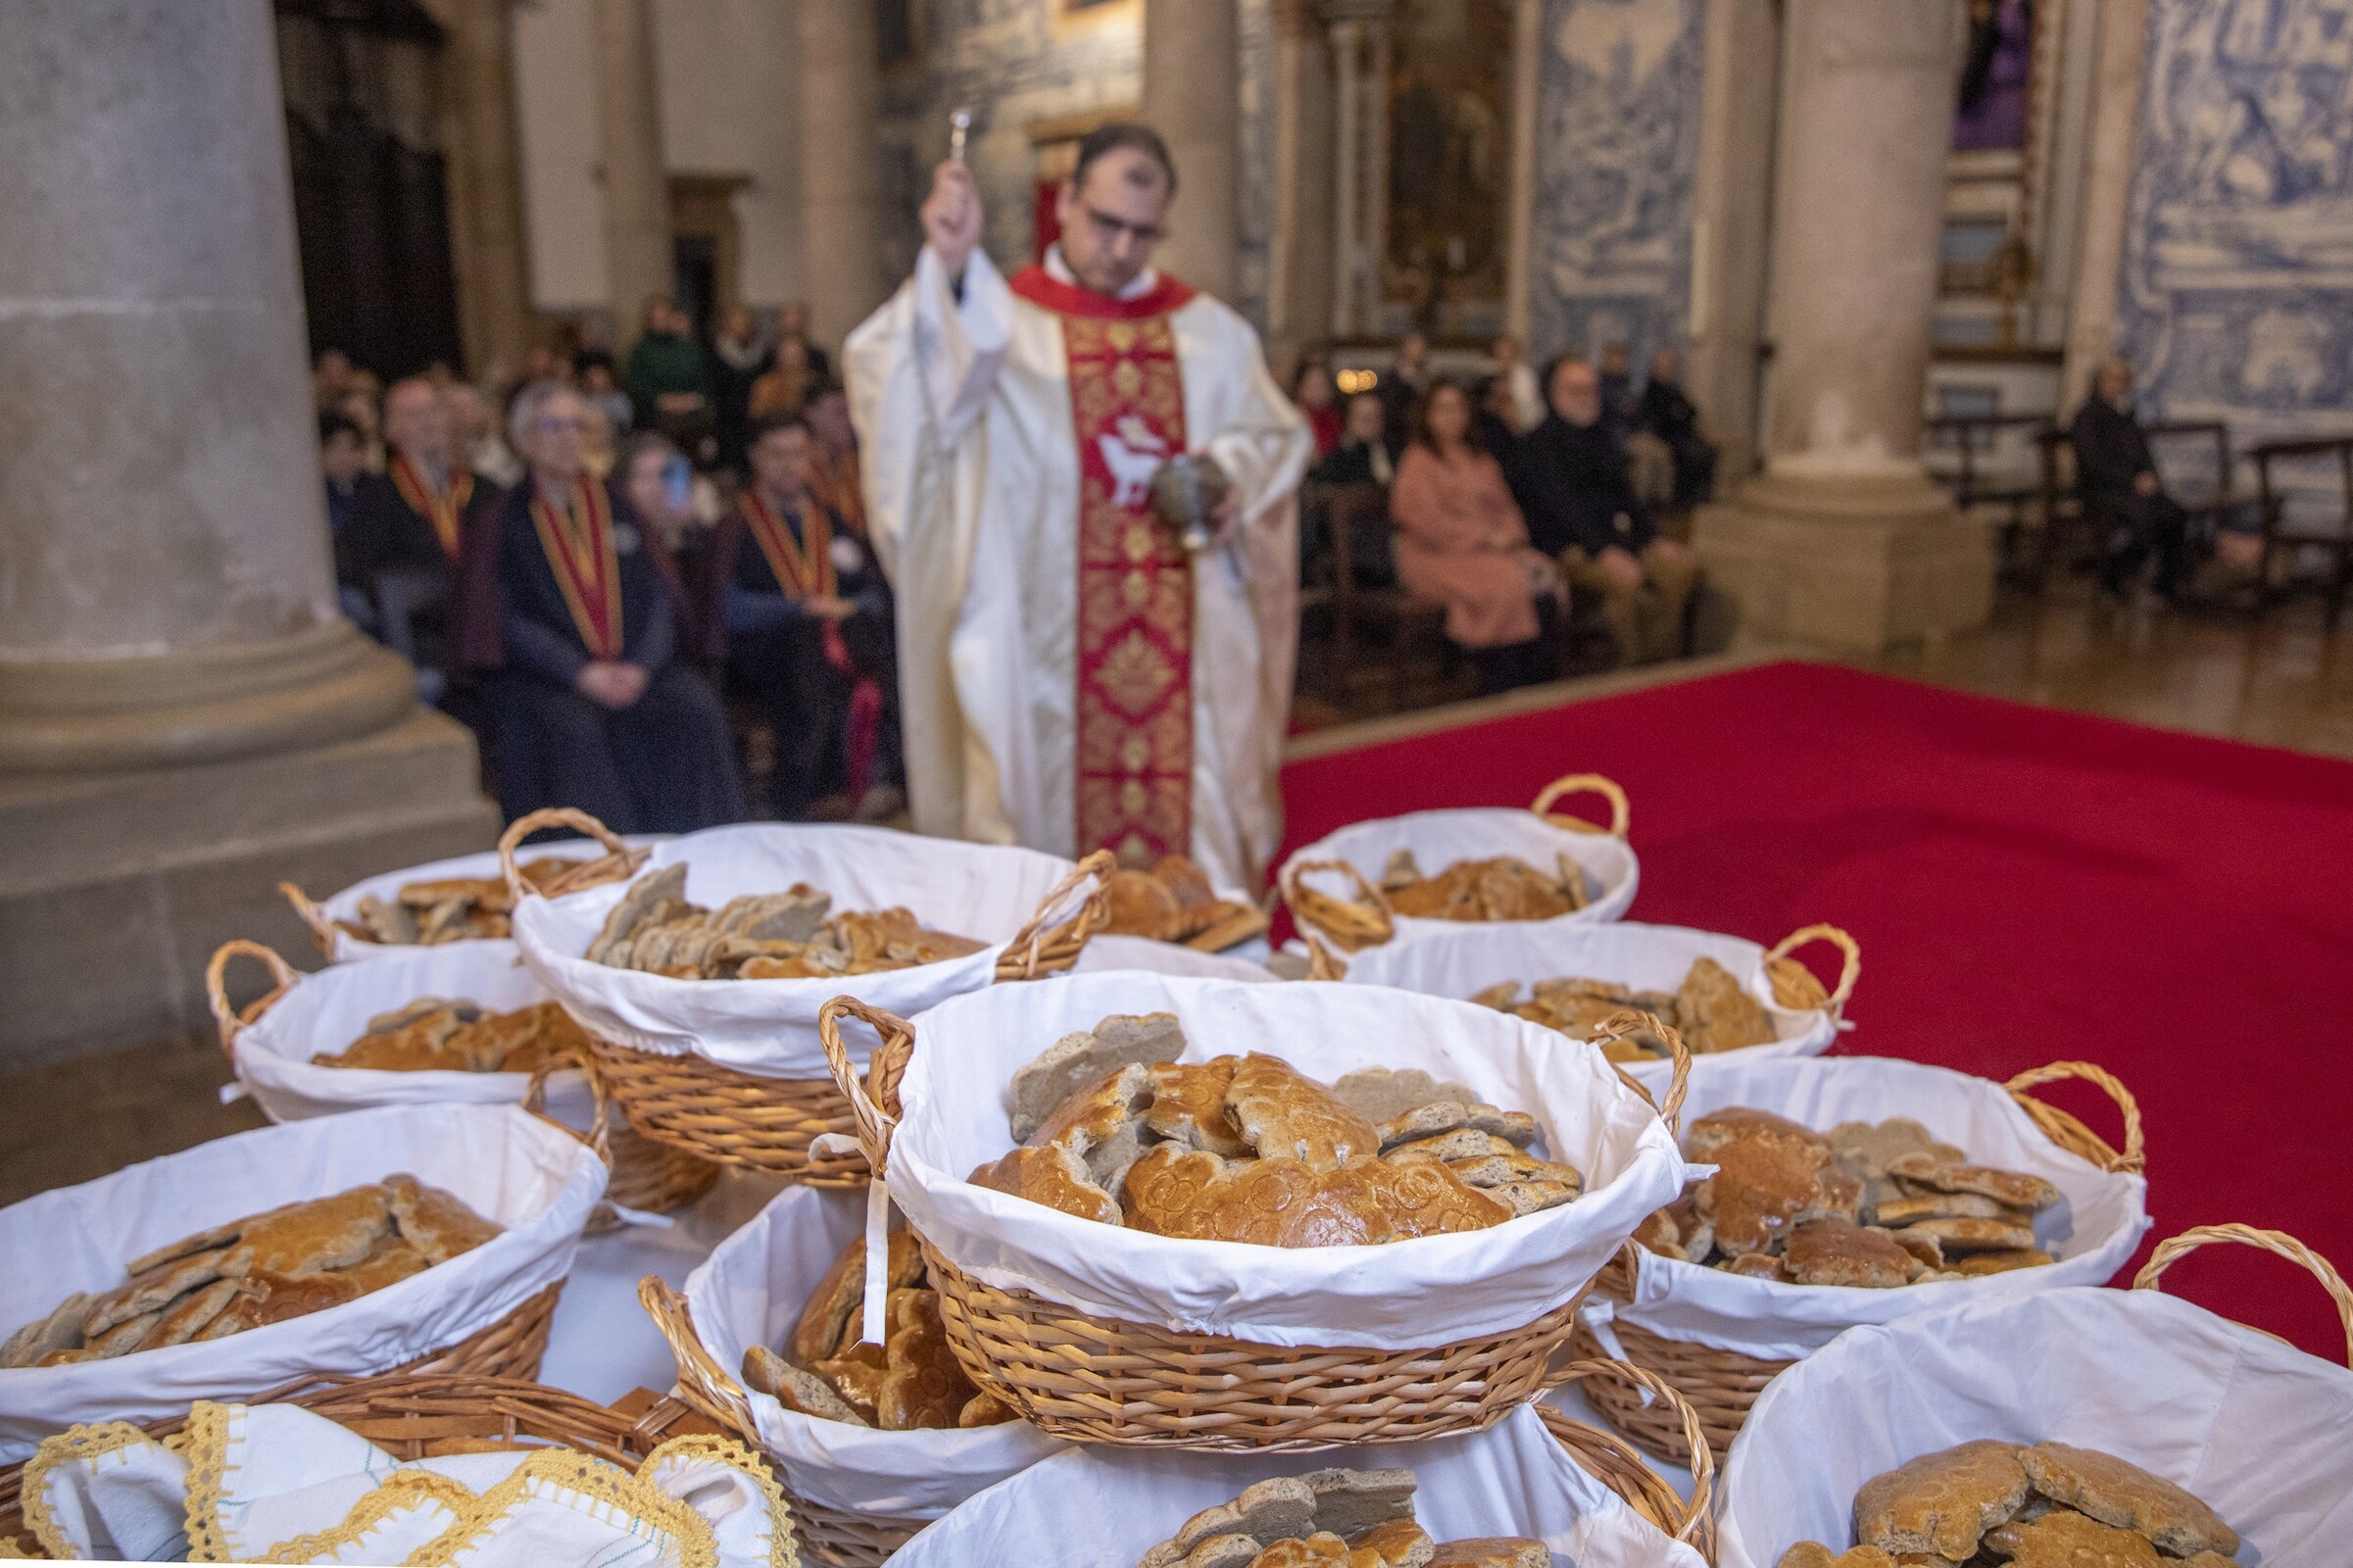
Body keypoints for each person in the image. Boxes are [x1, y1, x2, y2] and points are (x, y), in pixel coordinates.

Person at [847, 121, 1312, 888]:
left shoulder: (1210, 336)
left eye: (1143, 232)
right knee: (1037, 846)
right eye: (1105, 223)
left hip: (1183, 641)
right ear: (1064, 202)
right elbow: (911, 396)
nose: (1121, 248)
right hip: (1044, 650)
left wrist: (1228, 475)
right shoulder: (999, 325)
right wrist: (949, 268)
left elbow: (1274, 436)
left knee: (1193, 871)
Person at [467, 379, 743, 833]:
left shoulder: (617, 503)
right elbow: (504, 618)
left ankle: (706, 844)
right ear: (524, 439)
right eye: (553, 426)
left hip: (634, 667)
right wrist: (580, 672)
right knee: (573, 731)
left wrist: (643, 668)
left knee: (696, 708)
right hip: (554, 677)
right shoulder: (505, 517)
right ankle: (610, 854)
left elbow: (660, 596)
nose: (568, 437)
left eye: (577, 426)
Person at [703, 413, 897, 818]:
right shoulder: (736, 525)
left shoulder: (831, 520)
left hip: (841, 639)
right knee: (807, 651)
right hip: (767, 652)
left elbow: (873, 594)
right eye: (777, 454)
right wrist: (799, 608)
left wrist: (846, 607)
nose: (789, 465)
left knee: (886, 647)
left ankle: (883, 779)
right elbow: (728, 608)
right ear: (756, 458)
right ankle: (807, 793)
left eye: (798, 454)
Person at [1515, 357, 1697, 666]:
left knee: (1679, 570)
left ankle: (1660, 667)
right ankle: (1628, 673)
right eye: (1576, 390)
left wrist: (1653, 538)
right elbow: (1563, 509)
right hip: (1570, 547)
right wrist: (1602, 550)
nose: (1586, 397)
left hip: (1617, 539)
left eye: (1591, 389)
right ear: (1552, 395)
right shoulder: (1538, 445)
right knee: (1625, 583)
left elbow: (1626, 496)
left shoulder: (1600, 437)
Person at [1390, 380, 1561, 695]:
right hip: (1434, 556)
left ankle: (1535, 682)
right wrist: (1483, 537)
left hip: (1487, 551)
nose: (1452, 416)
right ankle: (1499, 683)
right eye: (1442, 409)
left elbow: (1506, 508)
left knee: (1544, 575)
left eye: (1458, 408)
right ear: (1427, 415)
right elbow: (1423, 521)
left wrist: (1508, 535)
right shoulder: (1418, 460)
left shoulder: (1480, 459)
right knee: (1505, 583)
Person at [347, 377, 504, 697]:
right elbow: (377, 580)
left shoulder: (485, 491)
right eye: (412, 414)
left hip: (491, 630)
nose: (428, 421)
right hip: (426, 641)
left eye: (434, 410)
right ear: (390, 430)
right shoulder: (375, 498)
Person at [2070, 356, 2189, 603]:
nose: (2120, 385)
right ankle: (2113, 574)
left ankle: (2164, 585)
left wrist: (2150, 477)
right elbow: (2093, 464)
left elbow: (2144, 455)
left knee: (2174, 514)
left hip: (2134, 489)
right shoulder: (2088, 416)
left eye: (2124, 380)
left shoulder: (2126, 416)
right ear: (2100, 382)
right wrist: (2131, 481)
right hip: (2103, 490)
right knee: (2144, 518)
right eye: (2114, 379)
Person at [1633, 347, 1718, 512]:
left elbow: (1690, 410)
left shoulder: (1674, 389)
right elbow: (1660, 416)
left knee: (1708, 450)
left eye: (1669, 366)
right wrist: (1677, 414)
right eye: (1663, 366)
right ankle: (1682, 500)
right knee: (1688, 454)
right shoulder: (1652, 390)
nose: (1666, 370)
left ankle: (1700, 495)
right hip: (1666, 434)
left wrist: (1681, 414)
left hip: (1683, 432)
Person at [623, 297, 712, 454]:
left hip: (690, 409)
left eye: (664, 317)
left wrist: (690, 400)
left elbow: (703, 380)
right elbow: (635, 385)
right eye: (656, 318)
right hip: (656, 413)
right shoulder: (640, 351)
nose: (660, 322)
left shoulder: (689, 350)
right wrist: (662, 400)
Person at [711, 304, 774, 473]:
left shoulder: (764, 355)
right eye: (736, 322)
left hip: (756, 416)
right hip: (728, 419)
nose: (741, 327)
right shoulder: (716, 355)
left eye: (744, 322)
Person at [320, 411, 369, 619]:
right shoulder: (315, 495)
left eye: (352, 448)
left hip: (372, 578)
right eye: (335, 447)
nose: (345, 456)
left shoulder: (377, 489)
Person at [804, 380, 867, 537]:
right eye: (839, 413)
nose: (848, 421)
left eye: (850, 413)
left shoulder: (857, 462)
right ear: (812, 416)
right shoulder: (801, 471)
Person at [447, 381, 523, 488]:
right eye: (452, 410)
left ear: (480, 412)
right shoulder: (439, 453)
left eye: (464, 410)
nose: (458, 417)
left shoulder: (501, 449)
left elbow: (510, 483)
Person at [1310, 391, 1396, 487]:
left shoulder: (1396, 452)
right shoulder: (1336, 464)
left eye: (1374, 416)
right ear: (1348, 420)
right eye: (1362, 417)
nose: (1368, 422)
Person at [1381, 329, 1432, 453]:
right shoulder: (1393, 380)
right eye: (1415, 346)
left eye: (1422, 347)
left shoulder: (1426, 378)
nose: (1419, 351)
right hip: (1399, 438)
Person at [750, 336, 813, 420]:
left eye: (796, 357)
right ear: (778, 359)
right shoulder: (765, 386)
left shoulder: (814, 383)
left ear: (805, 358)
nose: (792, 362)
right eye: (787, 357)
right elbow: (757, 415)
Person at [1490, 335, 1544, 433]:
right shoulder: (1490, 375)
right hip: (1497, 427)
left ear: (1514, 354)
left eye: (1507, 353)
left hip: (1528, 427)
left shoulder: (1525, 376)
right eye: (1499, 354)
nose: (1504, 358)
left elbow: (1525, 403)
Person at [1293, 362, 1343, 459]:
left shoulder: (1338, 419)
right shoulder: (1293, 419)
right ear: (1299, 388)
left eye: (1323, 385)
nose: (1319, 390)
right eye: (1313, 385)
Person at [776, 301, 832, 386]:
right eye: (788, 316)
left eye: (796, 317)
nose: (792, 322)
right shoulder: (769, 356)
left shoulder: (819, 358)